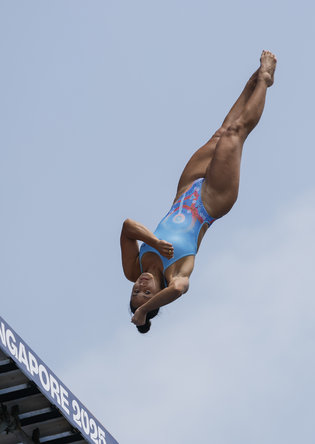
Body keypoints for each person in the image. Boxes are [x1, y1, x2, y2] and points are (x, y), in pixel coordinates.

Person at [120, 50, 277, 333]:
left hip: (185, 191)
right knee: (235, 134)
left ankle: (255, 79)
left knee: (221, 131)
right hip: (211, 202)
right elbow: (180, 290)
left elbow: (128, 227)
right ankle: (265, 79)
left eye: (135, 292)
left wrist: (154, 244)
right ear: (157, 296)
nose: (140, 286)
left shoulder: (134, 267)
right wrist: (143, 311)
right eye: (145, 294)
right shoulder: (175, 273)